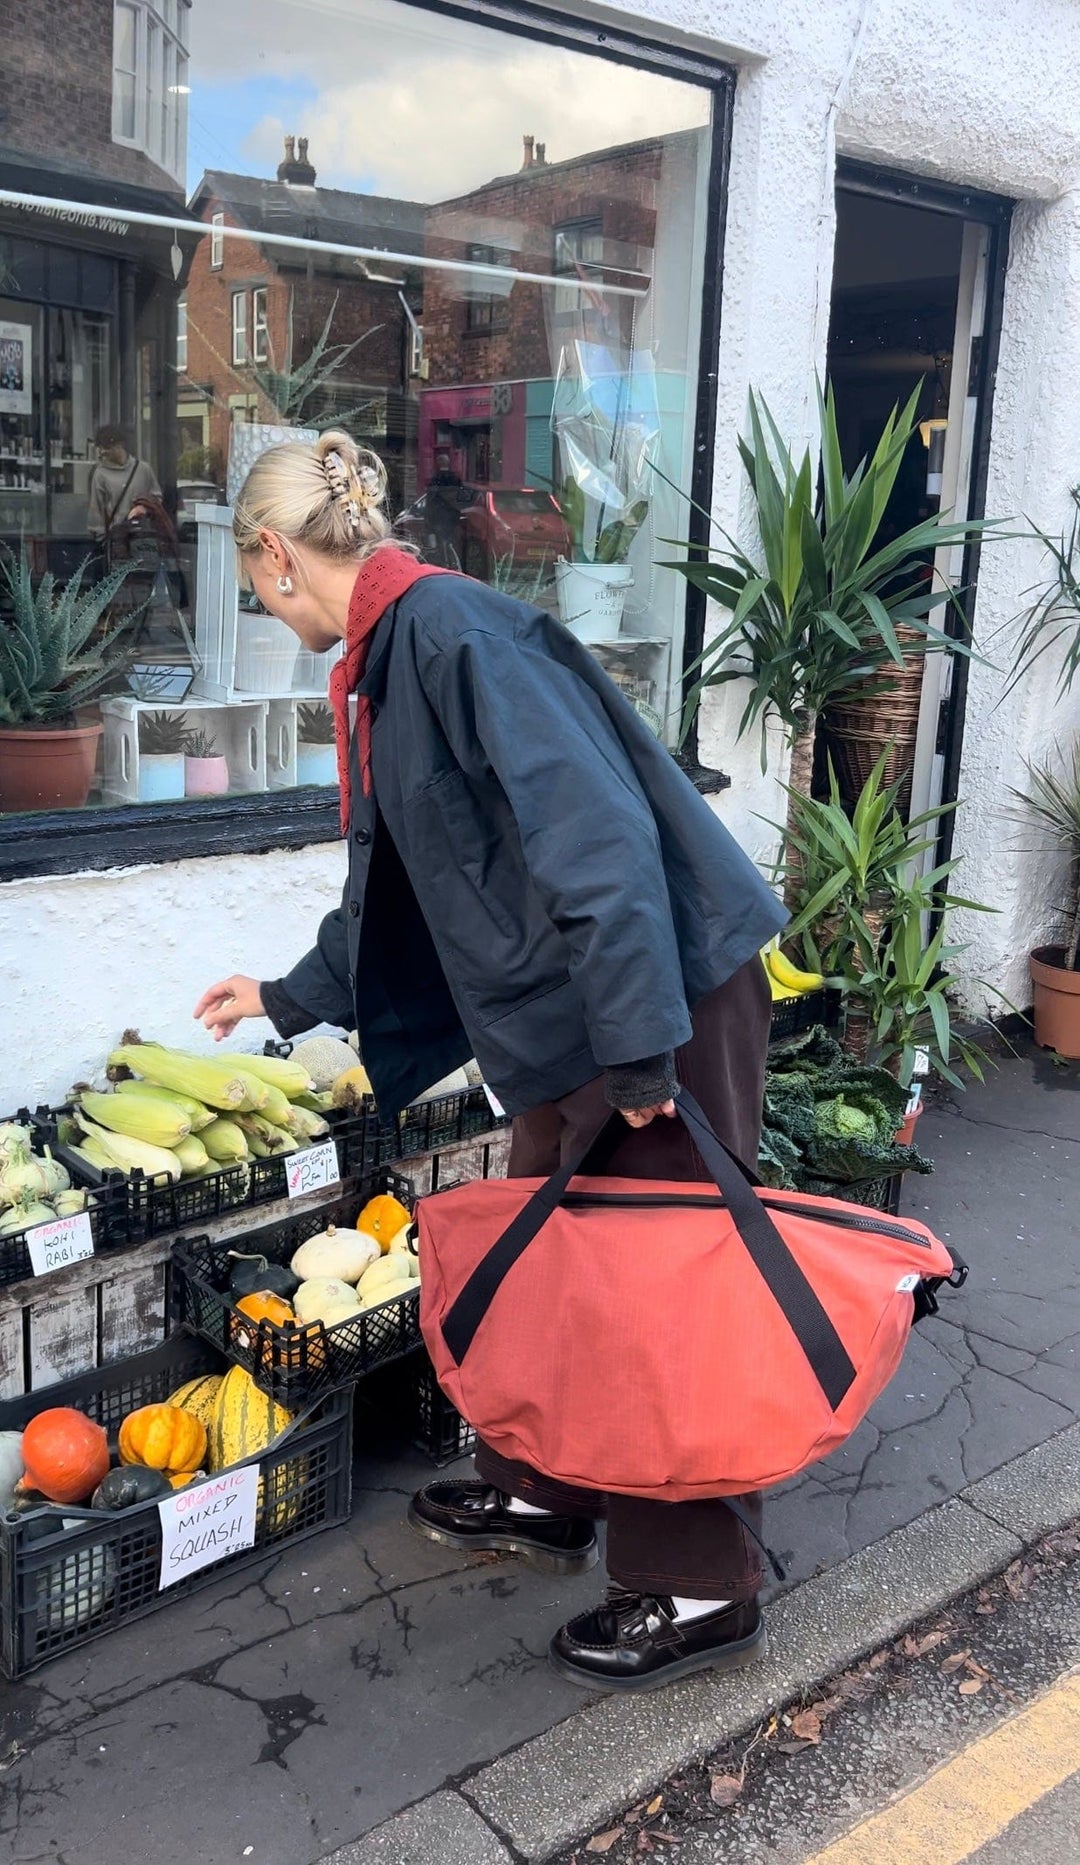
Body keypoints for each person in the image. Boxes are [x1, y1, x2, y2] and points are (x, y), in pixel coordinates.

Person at [194, 429, 788, 1693]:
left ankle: (698, 1579)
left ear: (271, 554)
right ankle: (547, 1490)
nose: (256, 599)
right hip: (581, 1012)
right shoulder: (391, 659)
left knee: (657, 1286)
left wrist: (639, 1064)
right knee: (546, 1265)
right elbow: (401, 883)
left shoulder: (455, 639)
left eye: (250, 578)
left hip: (653, 1002)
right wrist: (288, 995)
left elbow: (602, 849)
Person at [87, 424, 161, 539]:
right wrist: (101, 539)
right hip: (117, 539)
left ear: (119, 446)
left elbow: (157, 498)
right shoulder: (100, 474)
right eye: (100, 448)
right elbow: (96, 510)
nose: (102, 452)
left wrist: (143, 508)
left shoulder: (143, 469)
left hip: (144, 536)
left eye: (106, 447)